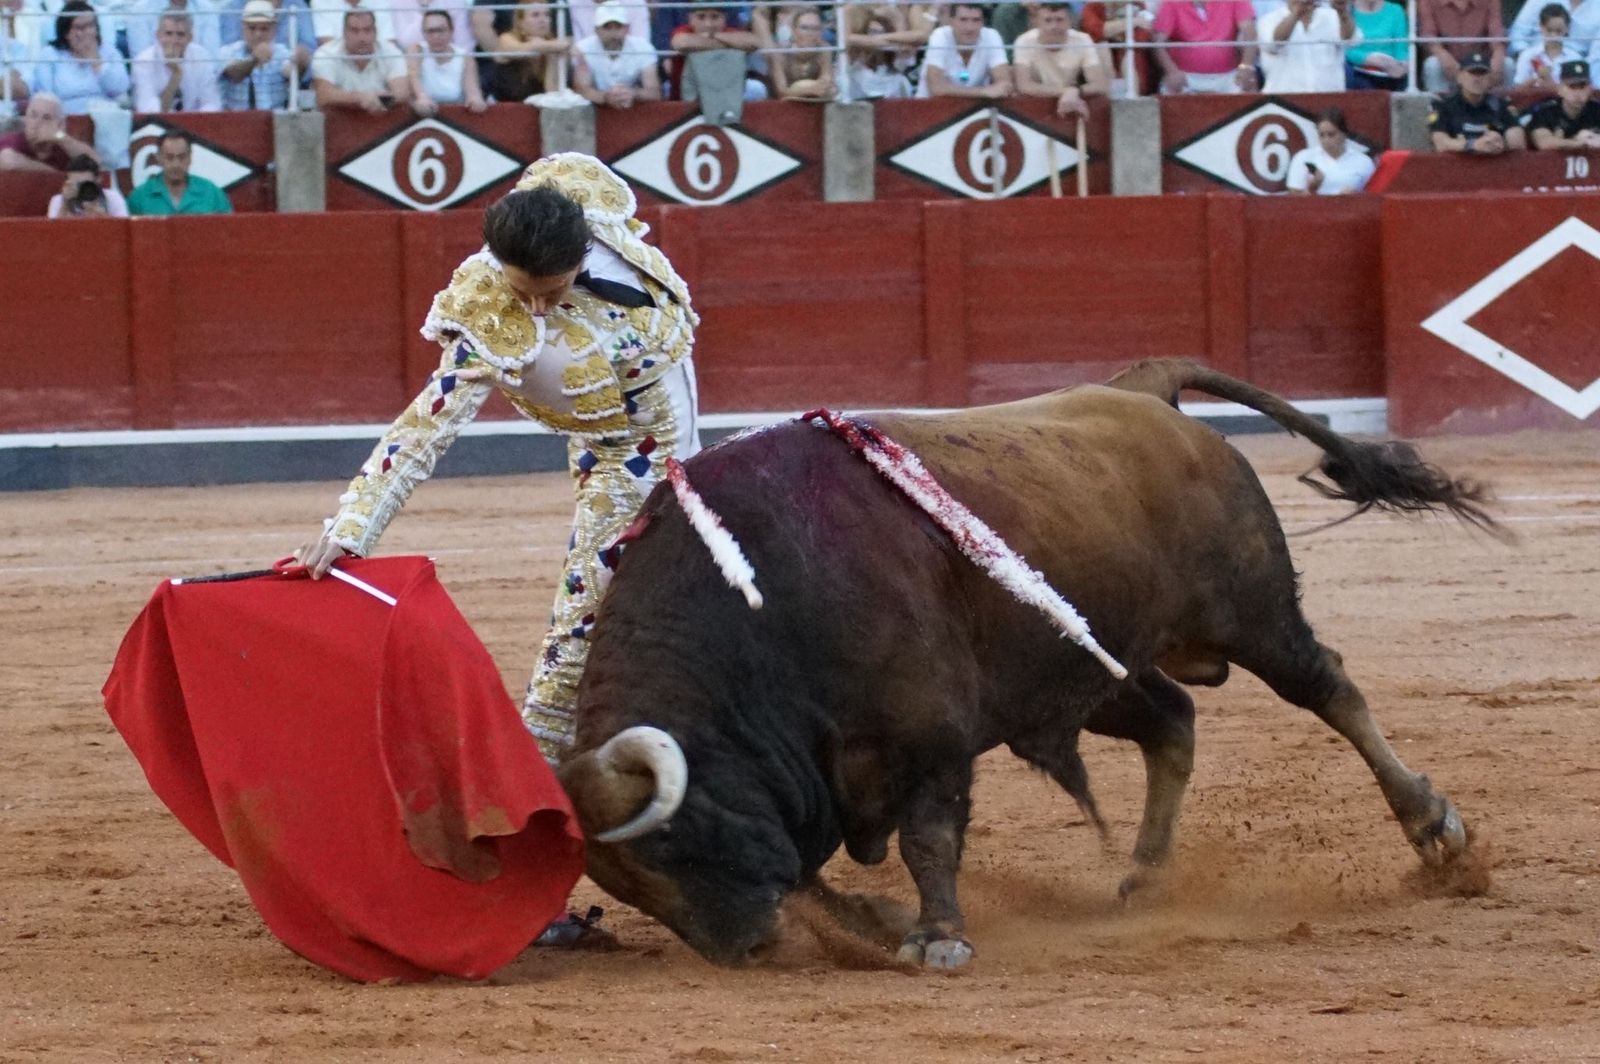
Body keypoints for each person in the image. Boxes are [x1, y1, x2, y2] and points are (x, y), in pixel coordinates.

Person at [294, 152, 701, 765]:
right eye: (521, 292)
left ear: (585, 251)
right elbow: (426, 425)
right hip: (612, 443)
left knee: (626, 582)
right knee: (601, 591)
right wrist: (352, 527)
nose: (535, 311)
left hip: (660, 414)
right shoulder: (485, 306)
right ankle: (542, 752)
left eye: (553, 291)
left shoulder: (589, 210)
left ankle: (579, 735)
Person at [28, 1, 130, 114]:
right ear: (66, 32)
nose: (87, 32)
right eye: (79, 28)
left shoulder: (109, 52)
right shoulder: (50, 55)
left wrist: (95, 60)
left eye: (91, 25)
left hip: (105, 115)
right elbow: (45, 96)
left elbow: (119, 88)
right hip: (65, 118)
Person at [1012, 1, 1106, 117]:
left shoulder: (1082, 40)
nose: (1054, 26)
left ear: (1070, 22)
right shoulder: (1024, 41)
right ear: (1036, 22)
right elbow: (1024, 86)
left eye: (1060, 20)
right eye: (1047, 20)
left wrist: (1075, 91)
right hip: (1037, 103)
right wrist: (1068, 91)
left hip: (1073, 102)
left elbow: (1100, 84)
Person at [311, 6, 409, 111]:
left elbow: (402, 93)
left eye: (367, 30)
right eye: (354, 31)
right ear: (344, 33)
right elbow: (323, 97)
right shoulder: (326, 55)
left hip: (381, 116)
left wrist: (379, 100)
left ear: (375, 32)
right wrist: (361, 98)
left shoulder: (391, 52)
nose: (361, 37)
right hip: (340, 117)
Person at [1428, 49, 1527, 153]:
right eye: (1472, 73)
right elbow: (1440, 143)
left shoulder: (1501, 104)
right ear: (1459, 77)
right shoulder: (1442, 104)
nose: (1477, 79)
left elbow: (1518, 143)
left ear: (1490, 79)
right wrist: (1473, 144)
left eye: (1482, 73)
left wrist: (1500, 141)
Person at [1152, 0, 1259, 94]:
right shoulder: (1171, 2)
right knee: (1169, 91)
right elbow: (1158, 43)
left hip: (1229, 76)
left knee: (1249, 87)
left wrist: (1246, 66)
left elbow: (1249, 33)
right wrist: (1172, 71)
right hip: (1185, 78)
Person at [1257, 0, 1359, 94]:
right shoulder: (1268, 20)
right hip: (1284, 100)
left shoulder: (1331, 16)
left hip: (1328, 99)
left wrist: (1342, 12)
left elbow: (1349, 40)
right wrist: (1296, 14)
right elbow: (1274, 44)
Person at [216, 0, 303, 109]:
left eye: (264, 29)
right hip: (236, 120)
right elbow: (233, 74)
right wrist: (254, 60)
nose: (258, 34)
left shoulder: (281, 52)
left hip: (274, 120)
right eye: (252, 28)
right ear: (243, 28)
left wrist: (299, 63)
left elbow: (290, 71)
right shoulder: (227, 52)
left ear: (274, 29)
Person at [670, 2, 765, 100]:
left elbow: (753, 43)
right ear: (690, 19)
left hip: (726, 96)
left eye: (715, 17)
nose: (708, 24)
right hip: (687, 97)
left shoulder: (727, 33)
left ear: (724, 18)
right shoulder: (684, 31)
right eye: (701, 17)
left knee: (757, 89)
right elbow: (681, 43)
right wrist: (728, 45)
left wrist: (712, 35)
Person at [917, 1, 1013, 99]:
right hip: (933, 106)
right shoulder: (939, 36)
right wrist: (982, 91)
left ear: (983, 22)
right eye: (963, 20)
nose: (969, 27)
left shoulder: (992, 36)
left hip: (977, 108)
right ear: (951, 21)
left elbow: (1004, 84)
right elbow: (936, 88)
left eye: (976, 20)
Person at [571, 0, 658, 107]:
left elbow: (654, 92)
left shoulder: (643, 47)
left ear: (627, 29)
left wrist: (633, 94)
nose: (613, 33)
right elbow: (582, 90)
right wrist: (605, 97)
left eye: (618, 26)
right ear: (596, 30)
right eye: (607, 27)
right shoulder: (582, 49)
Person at [131, 9, 221, 111]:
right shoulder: (144, 61)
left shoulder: (201, 56)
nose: (174, 41)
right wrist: (176, 75)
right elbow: (150, 111)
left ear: (190, 38)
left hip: (195, 122)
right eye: (168, 34)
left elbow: (212, 104)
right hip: (155, 124)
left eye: (180, 34)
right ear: (158, 35)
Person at [127, 127, 234, 212]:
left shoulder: (211, 193)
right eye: (169, 157)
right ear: (158, 158)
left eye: (182, 157)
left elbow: (229, 232)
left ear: (190, 157)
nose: (176, 164)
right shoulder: (139, 197)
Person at [406, 7, 486, 113]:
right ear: (423, 33)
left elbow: (473, 91)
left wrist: (475, 100)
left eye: (441, 30)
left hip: (456, 114)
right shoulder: (416, 50)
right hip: (424, 114)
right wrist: (422, 97)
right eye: (430, 31)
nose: (436, 36)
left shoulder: (464, 56)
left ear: (451, 31)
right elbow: (414, 78)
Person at [488, 0, 568, 102]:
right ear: (520, 23)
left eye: (547, 15)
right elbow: (519, 50)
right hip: (503, 109)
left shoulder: (553, 46)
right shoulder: (506, 38)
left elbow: (552, 92)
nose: (543, 20)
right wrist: (546, 45)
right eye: (535, 15)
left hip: (539, 112)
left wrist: (551, 54)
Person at [1418, 0, 1505, 92]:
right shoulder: (1428, 1)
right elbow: (1428, 35)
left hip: (1481, 63)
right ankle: (1437, 105)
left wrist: (1498, 54)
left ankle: (1499, 105)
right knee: (1433, 65)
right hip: (1448, 62)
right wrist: (1442, 55)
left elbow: (1496, 33)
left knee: (1507, 64)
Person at [0, 90, 100, 169]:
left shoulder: (62, 144)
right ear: (25, 118)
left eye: (46, 118)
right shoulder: (13, 140)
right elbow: (8, 160)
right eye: (33, 115)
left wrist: (60, 137)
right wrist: (53, 174)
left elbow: (96, 162)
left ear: (60, 125)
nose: (37, 123)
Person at [1285, 108, 1374, 194]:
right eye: (1321, 135)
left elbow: (1373, 198)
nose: (1325, 140)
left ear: (1344, 134)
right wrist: (1312, 189)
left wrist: (1353, 197)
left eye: (1331, 135)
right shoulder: (1303, 158)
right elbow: (1293, 203)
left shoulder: (1364, 162)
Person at [1079, 0, 1158, 97]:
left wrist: (1112, 29)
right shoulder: (1093, 7)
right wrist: (1133, 21)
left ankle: (1132, 100)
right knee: (1101, 47)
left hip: (1129, 60)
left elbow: (1142, 36)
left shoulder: (1137, 6)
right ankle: (1108, 97)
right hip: (1102, 62)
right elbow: (1097, 31)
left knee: (1130, 53)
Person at [1524, 58, 1600, 147]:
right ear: (1560, 89)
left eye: (1582, 87)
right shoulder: (1546, 110)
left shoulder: (1596, 110)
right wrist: (1581, 142)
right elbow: (1544, 142)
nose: (1578, 93)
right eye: (1572, 87)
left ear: (1590, 89)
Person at [1512, 4, 1584, 88]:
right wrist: (1536, 77)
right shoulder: (1528, 55)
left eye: (1558, 31)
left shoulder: (1574, 58)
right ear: (1541, 27)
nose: (1553, 35)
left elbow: (1578, 91)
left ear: (1567, 28)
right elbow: (1517, 90)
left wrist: (1549, 81)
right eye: (1549, 30)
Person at [845, 11, 914, 99]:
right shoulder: (856, 58)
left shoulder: (895, 60)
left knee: (902, 81)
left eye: (880, 32)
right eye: (872, 32)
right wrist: (876, 42)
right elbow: (849, 39)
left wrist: (884, 39)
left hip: (891, 105)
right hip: (860, 106)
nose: (875, 36)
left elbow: (918, 38)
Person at [769, 7, 833, 99]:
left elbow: (826, 82)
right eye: (805, 28)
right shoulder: (780, 52)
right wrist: (808, 89)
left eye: (816, 28)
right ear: (793, 31)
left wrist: (816, 87)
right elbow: (781, 91)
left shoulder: (825, 50)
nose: (810, 33)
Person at [1507, 0, 1600, 63]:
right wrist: (1530, 60)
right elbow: (1518, 33)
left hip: (1576, 68)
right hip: (1535, 60)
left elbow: (1596, 54)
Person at [1346, 0, 1409, 90]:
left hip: (1391, 74)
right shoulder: (1346, 11)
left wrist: (1402, 64)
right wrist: (1368, 59)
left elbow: (1401, 49)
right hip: (1358, 72)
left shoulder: (1396, 11)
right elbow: (1342, 49)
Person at [126, 0, 222, 58]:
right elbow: (141, 61)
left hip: (196, 78)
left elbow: (211, 60)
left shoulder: (208, 9)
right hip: (154, 80)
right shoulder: (140, 10)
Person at [46, 150, 129, 214]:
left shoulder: (112, 198)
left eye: (86, 184)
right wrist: (65, 204)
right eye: (77, 184)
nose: (82, 188)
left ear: (98, 180)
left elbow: (121, 229)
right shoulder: (58, 200)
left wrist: (100, 215)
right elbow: (54, 232)